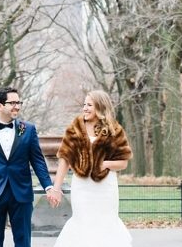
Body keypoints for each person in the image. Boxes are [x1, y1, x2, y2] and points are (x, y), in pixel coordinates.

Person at [0, 86, 56, 247]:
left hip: (21, 194)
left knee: (23, 242)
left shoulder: (28, 129)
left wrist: (48, 186)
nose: (17, 106)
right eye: (12, 102)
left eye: (18, 102)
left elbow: (37, 161)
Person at [49, 90, 133, 247]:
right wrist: (56, 189)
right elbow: (65, 161)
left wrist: (106, 164)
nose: (85, 108)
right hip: (82, 188)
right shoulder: (75, 128)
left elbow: (123, 162)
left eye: (89, 105)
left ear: (100, 107)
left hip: (106, 189)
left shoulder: (115, 130)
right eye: (84, 105)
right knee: (82, 222)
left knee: (107, 224)